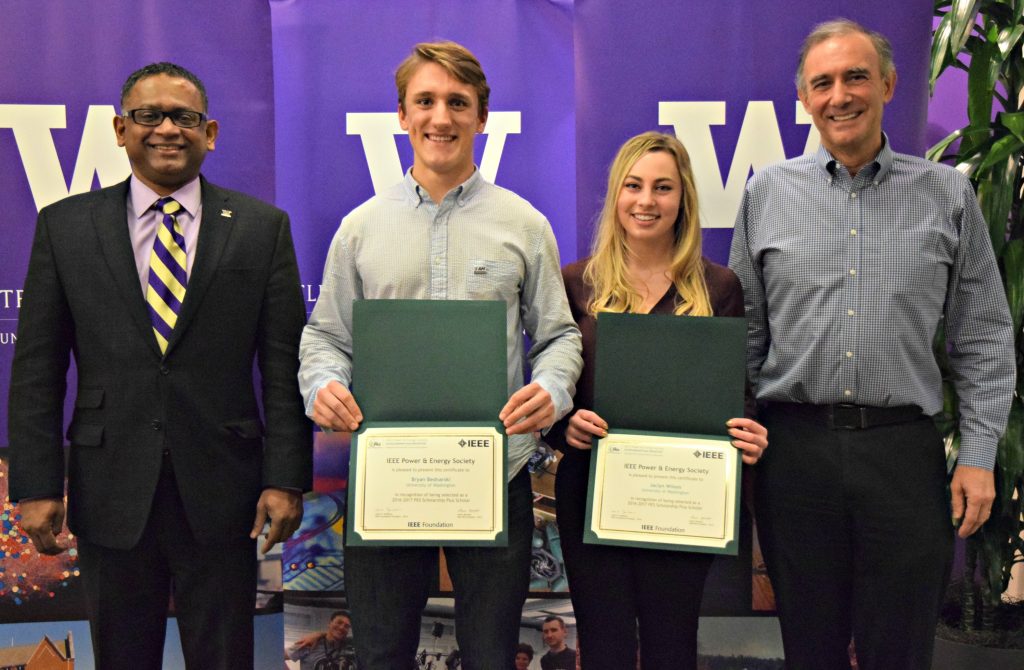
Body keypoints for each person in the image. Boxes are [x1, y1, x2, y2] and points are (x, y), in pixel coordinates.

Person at [727, 19, 1014, 670]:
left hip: (903, 456)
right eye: (821, 83)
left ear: (888, 84)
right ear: (803, 99)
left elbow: (984, 333)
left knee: (901, 649)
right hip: (794, 457)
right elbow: (744, 334)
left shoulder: (948, 194)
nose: (840, 95)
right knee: (809, 648)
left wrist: (978, 455)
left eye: (856, 76)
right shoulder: (767, 194)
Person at [7, 62, 312, 669]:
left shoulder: (260, 228)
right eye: (150, 115)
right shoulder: (66, 226)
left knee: (224, 658)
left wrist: (286, 478)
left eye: (185, 117)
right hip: (109, 485)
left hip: (226, 493)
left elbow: (283, 368)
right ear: (121, 130)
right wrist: (37, 484)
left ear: (212, 133)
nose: (168, 128)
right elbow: (38, 367)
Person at [298, 41, 582, 670]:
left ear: (482, 117)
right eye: (425, 101)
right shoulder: (360, 229)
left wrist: (553, 390)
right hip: (387, 479)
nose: (441, 118)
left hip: (495, 474)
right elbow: (325, 338)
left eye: (458, 102)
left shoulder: (524, 225)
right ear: (402, 116)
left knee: (489, 654)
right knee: (381, 654)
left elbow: (560, 336)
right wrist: (321, 385)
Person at [545, 132, 767, 670]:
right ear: (616, 196)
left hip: (683, 496)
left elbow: (737, 391)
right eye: (634, 186)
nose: (647, 201)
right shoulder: (576, 283)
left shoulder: (719, 287)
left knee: (672, 644)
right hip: (593, 491)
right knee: (604, 646)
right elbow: (550, 381)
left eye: (663, 188)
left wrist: (750, 429)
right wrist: (563, 426)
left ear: (684, 199)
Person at [287, 610, 358, 670]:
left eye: (347, 626)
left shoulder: (351, 645)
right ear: (330, 623)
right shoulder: (309, 643)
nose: (342, 627)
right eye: (339, 622)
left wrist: (320, 634)